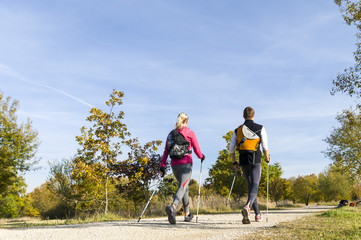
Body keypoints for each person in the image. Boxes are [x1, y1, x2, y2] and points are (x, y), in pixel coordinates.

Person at [159, 113, 205, 224]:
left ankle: (187, 214)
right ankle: (173, 206)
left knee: (184, 187)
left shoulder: (171, 134)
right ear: (187, 121)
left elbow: (166, 151)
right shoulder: (190, 133)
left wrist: (162, 165)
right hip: (186, 164)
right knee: (182, 187)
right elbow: (197, 150)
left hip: (174, 165)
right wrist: (202, 157)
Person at [229, 107, 270, 224]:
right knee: (255, 185)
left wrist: (234, 162)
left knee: (251, 186)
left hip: (243, 161)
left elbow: (231, 149)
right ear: (253, 115)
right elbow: (265, 146)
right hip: (255, 159)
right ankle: (247, 207)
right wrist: (267, 158)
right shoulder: (260, 128)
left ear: (243, 116)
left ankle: (257, 214)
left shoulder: (238, 130)